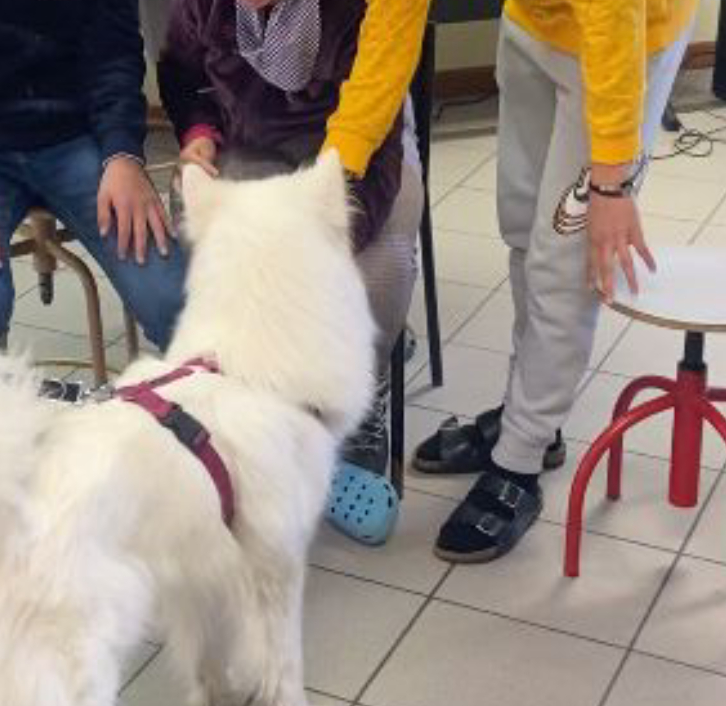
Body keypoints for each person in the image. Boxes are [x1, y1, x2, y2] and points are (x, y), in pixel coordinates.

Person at [413, 0, 698, 562]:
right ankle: (529, 421)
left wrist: (611, 183)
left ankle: (519, 459)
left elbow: (613, 16)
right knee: (523, 226)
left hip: (621, 39)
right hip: (532, 22)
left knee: (563, 263)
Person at [159, 0, 429, 545]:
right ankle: (255, 413)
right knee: (228, 262)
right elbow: (182, 74)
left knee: (372, 273)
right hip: (251, 145)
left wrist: (317, 242)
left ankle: (361, 395)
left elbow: (368, 134)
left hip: (362, 150)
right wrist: (198, 133)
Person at [0, 0, 187, 360]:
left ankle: (229, 408)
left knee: (173, 302)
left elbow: (115, 52)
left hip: (76, 137)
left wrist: (123, 155)